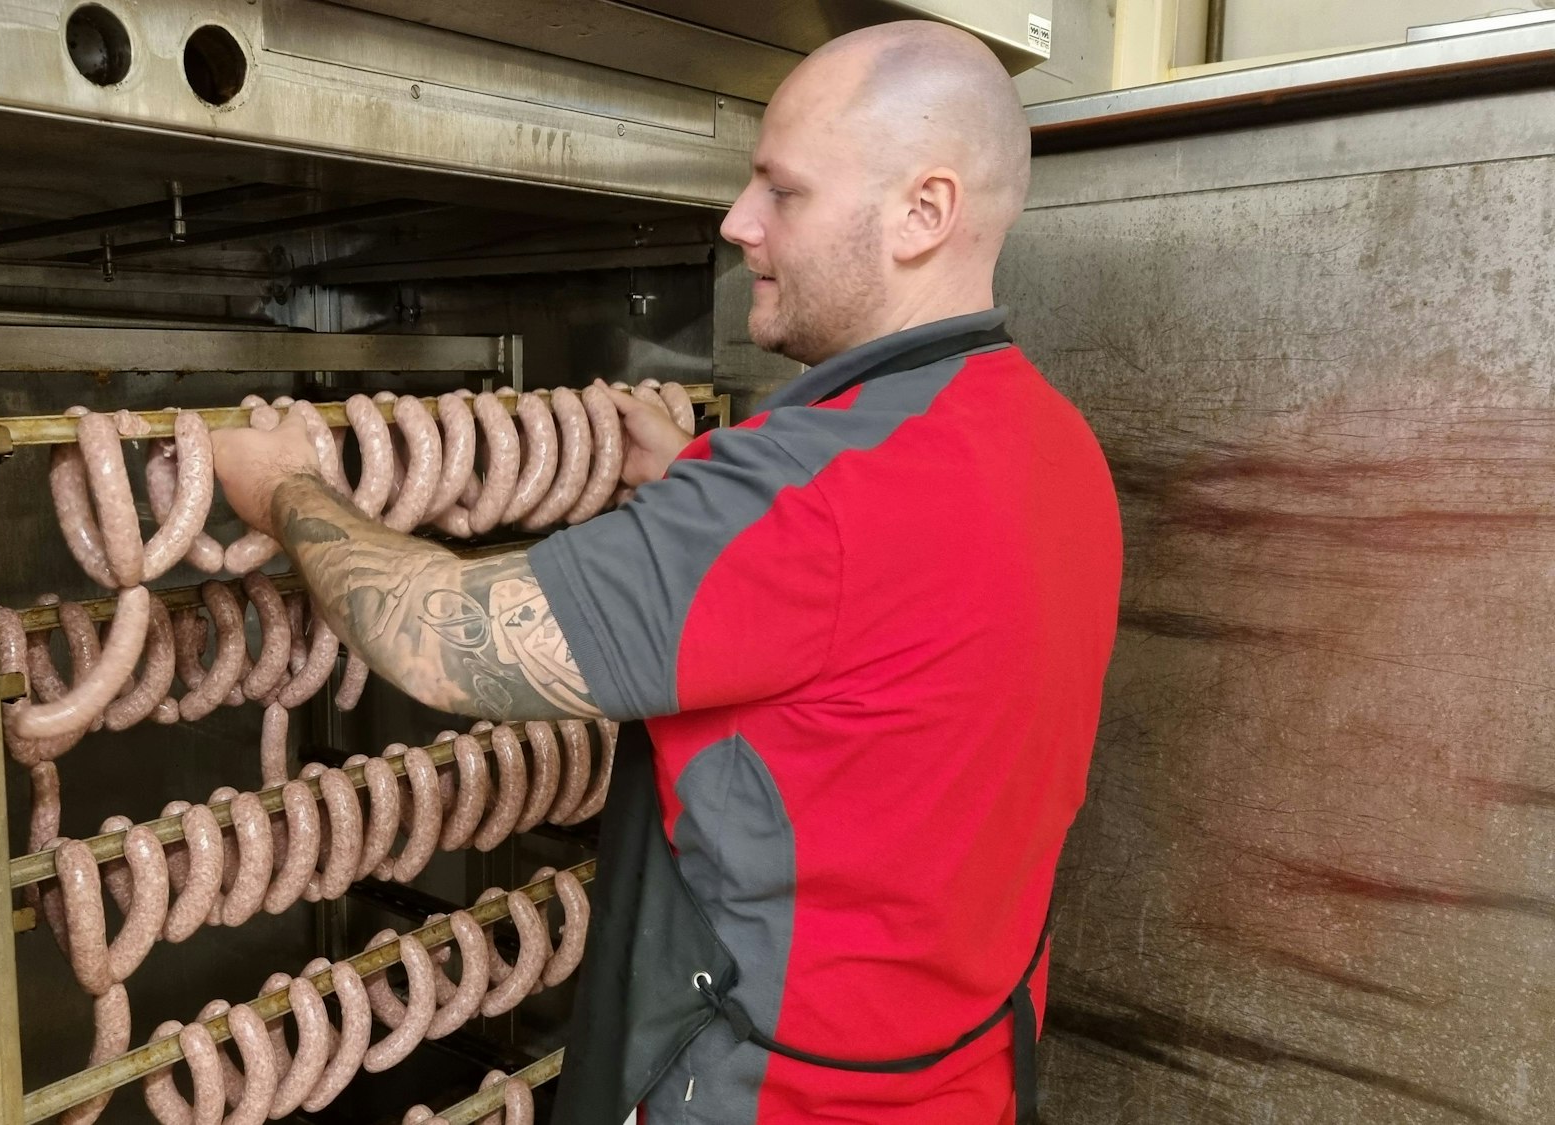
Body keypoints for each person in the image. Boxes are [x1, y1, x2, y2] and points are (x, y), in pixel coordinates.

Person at [212, 19, 1121, 1125]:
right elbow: (869, 607)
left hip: (774, 1097)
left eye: (779, 191)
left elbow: (442, 640)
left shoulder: (804, 501)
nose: (736, 224)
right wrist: (695, 478)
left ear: (921, 213)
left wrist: (282, 490)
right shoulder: (1047, 440)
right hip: (969, 1074)